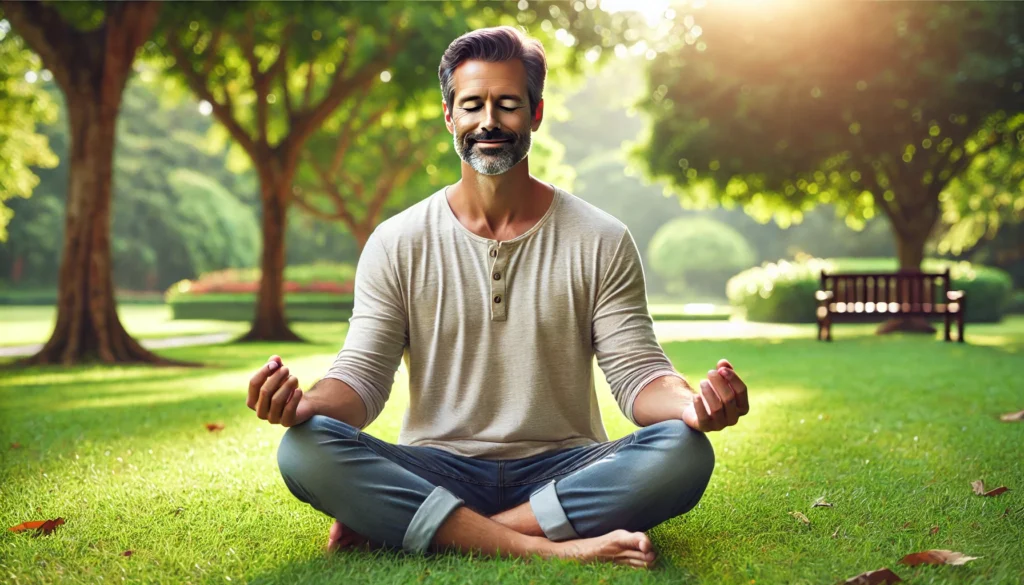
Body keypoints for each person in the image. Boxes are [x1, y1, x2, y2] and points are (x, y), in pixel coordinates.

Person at [247, 25, 749, 569]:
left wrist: (690, 408)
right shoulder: (396, 242)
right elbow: (363, 379)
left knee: (683, 451)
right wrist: (305, 407)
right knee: (303, 446)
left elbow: (637, 375)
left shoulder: (602, 238)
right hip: (436, 467)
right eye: (472, 105)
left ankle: (433, 529)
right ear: (449, 117)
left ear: (534, 114)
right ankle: (544, 546)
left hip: (565, 467)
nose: (489, 121)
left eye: (508, 105)